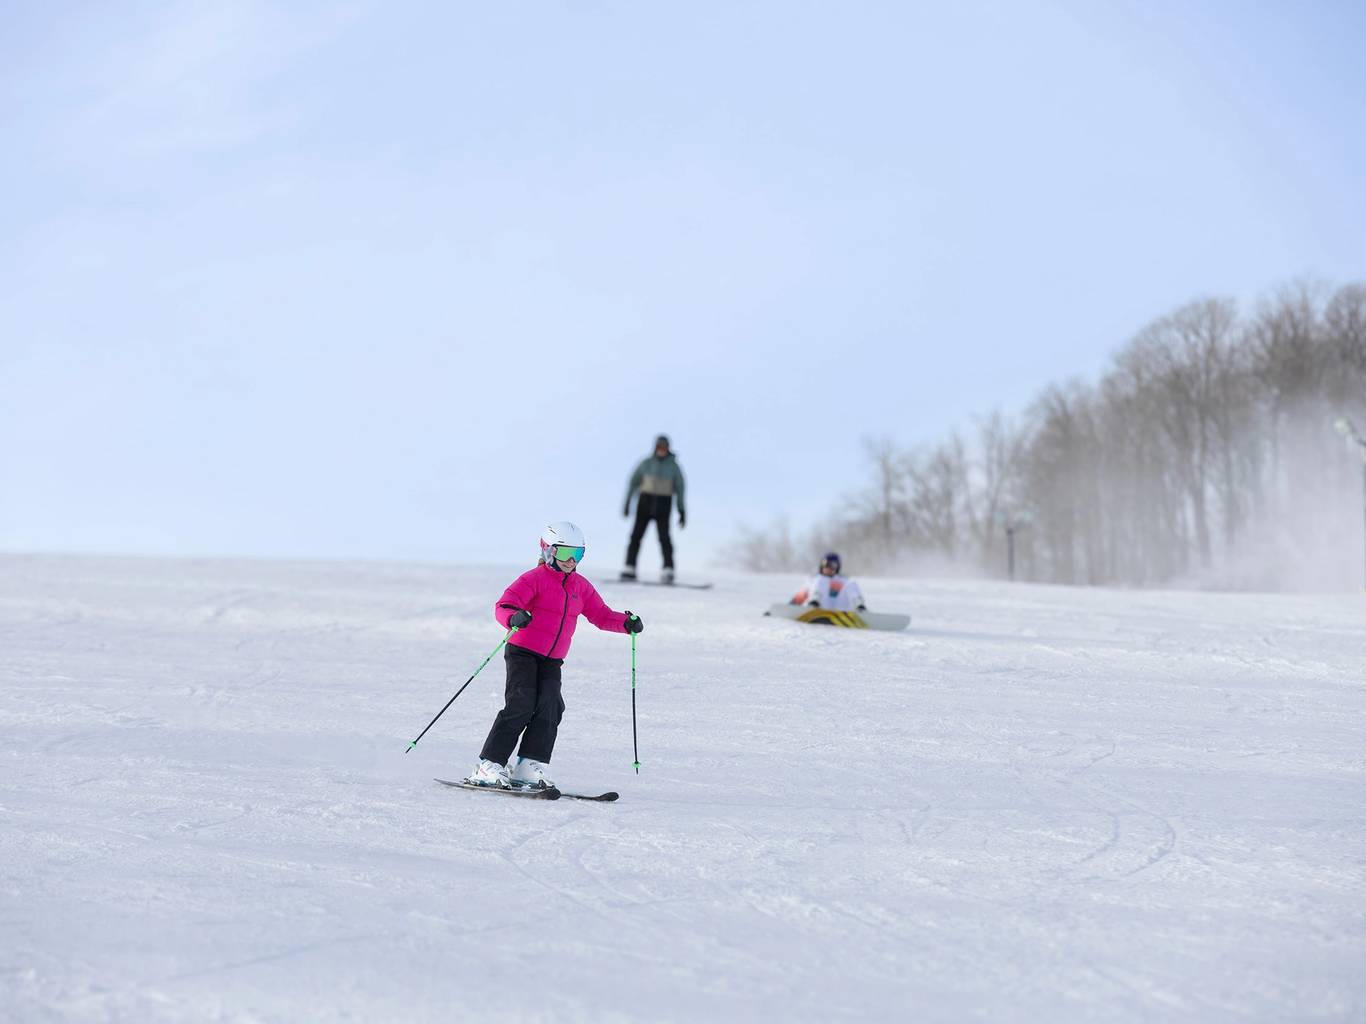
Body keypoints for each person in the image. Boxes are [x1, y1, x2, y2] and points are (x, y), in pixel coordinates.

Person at [468, 521, 644, 790]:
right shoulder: (533, 579)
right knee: (521, 703)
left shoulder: (580, 587)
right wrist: (513, 617)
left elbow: (601, 615)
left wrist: (625, 623)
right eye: (565, 553)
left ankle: (529, 765)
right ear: (548, 551)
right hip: (523, 652)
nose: (571, 560)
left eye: (579, 554)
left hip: (552, 660)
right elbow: (504, 605)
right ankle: (489, 764)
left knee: (551, 706)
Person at [621, 434, 686, 583]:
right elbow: (633, 482)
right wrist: (627, 503)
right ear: (655, 448)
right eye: (659, 447)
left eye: (664, 447)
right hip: (645, 502)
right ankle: (629, 567)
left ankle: (668, 569)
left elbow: (681, 488)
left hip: (664, 504)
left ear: (668, 448)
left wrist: (681, 510)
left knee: (664, 538)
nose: (661, 450)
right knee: (636, 536)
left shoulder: (674, 467)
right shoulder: (646, 463)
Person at [790, 552, 867, 611]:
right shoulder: (814, 580)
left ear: (837, 567)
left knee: (851, 583)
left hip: (841, 610)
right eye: (826, 564)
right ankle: (814, 601)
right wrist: (792, 605)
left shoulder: (845, 581)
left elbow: (852, 589)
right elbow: (802, 594)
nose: (829, 568)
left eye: (832, 565)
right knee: (820, 580)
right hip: (818, 609)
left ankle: (859, 605)